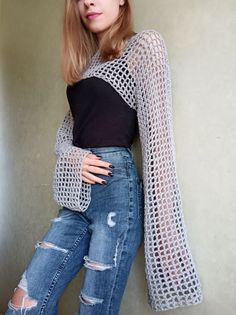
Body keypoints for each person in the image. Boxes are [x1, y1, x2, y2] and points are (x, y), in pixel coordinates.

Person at [5, 0, 203, 314]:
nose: (89, 2)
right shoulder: (86, 65)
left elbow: (158, 142)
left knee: (93, 308)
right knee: (23, 304)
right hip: (75, 198)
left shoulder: (143, 46)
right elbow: (67, 131)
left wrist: (165, 235)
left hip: (115, 195)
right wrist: (72, 156)